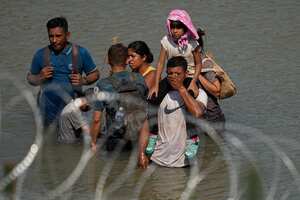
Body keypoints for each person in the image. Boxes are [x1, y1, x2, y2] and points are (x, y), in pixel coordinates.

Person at [27, 16, 99, 126]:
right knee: (49, 142)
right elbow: (30, 78)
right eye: (51, 36)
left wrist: (83, 80)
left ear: (67, 35)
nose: (54, 40)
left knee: (73, 142)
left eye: (58, 36)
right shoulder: (40, 54)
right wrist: (40, 77)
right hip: (47, 114)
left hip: (73, 113)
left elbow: (95, 74)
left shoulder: (81, 52)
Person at [138, 56, 208, 168]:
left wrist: (181, 88)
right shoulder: (158, 93)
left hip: (185, 163)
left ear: (186, 74)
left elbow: (197, 113)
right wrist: (141, 153)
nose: (173, 77)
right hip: (157, 160)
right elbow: (146, 125)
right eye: (170, 73)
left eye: (178, 74)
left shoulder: (198, 93)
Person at [90, 43, 148, 151]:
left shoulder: (102, 85)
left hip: (115, 140)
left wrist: (93, 142)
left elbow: (97, 119)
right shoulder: (139, 79)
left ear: (108, 60)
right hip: (138, 137)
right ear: (127, 60)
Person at [148, 9, 203, 98]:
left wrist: (193, 82)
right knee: (153, 98)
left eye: (178, 28)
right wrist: (156, 85)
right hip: (172, 77)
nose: (175, 31)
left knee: (190, 95)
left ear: (185, 28)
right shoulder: (166, 41)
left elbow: (199, 64)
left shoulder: (192, 43)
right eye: (172, 27)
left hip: (189, 76)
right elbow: (160, 63)